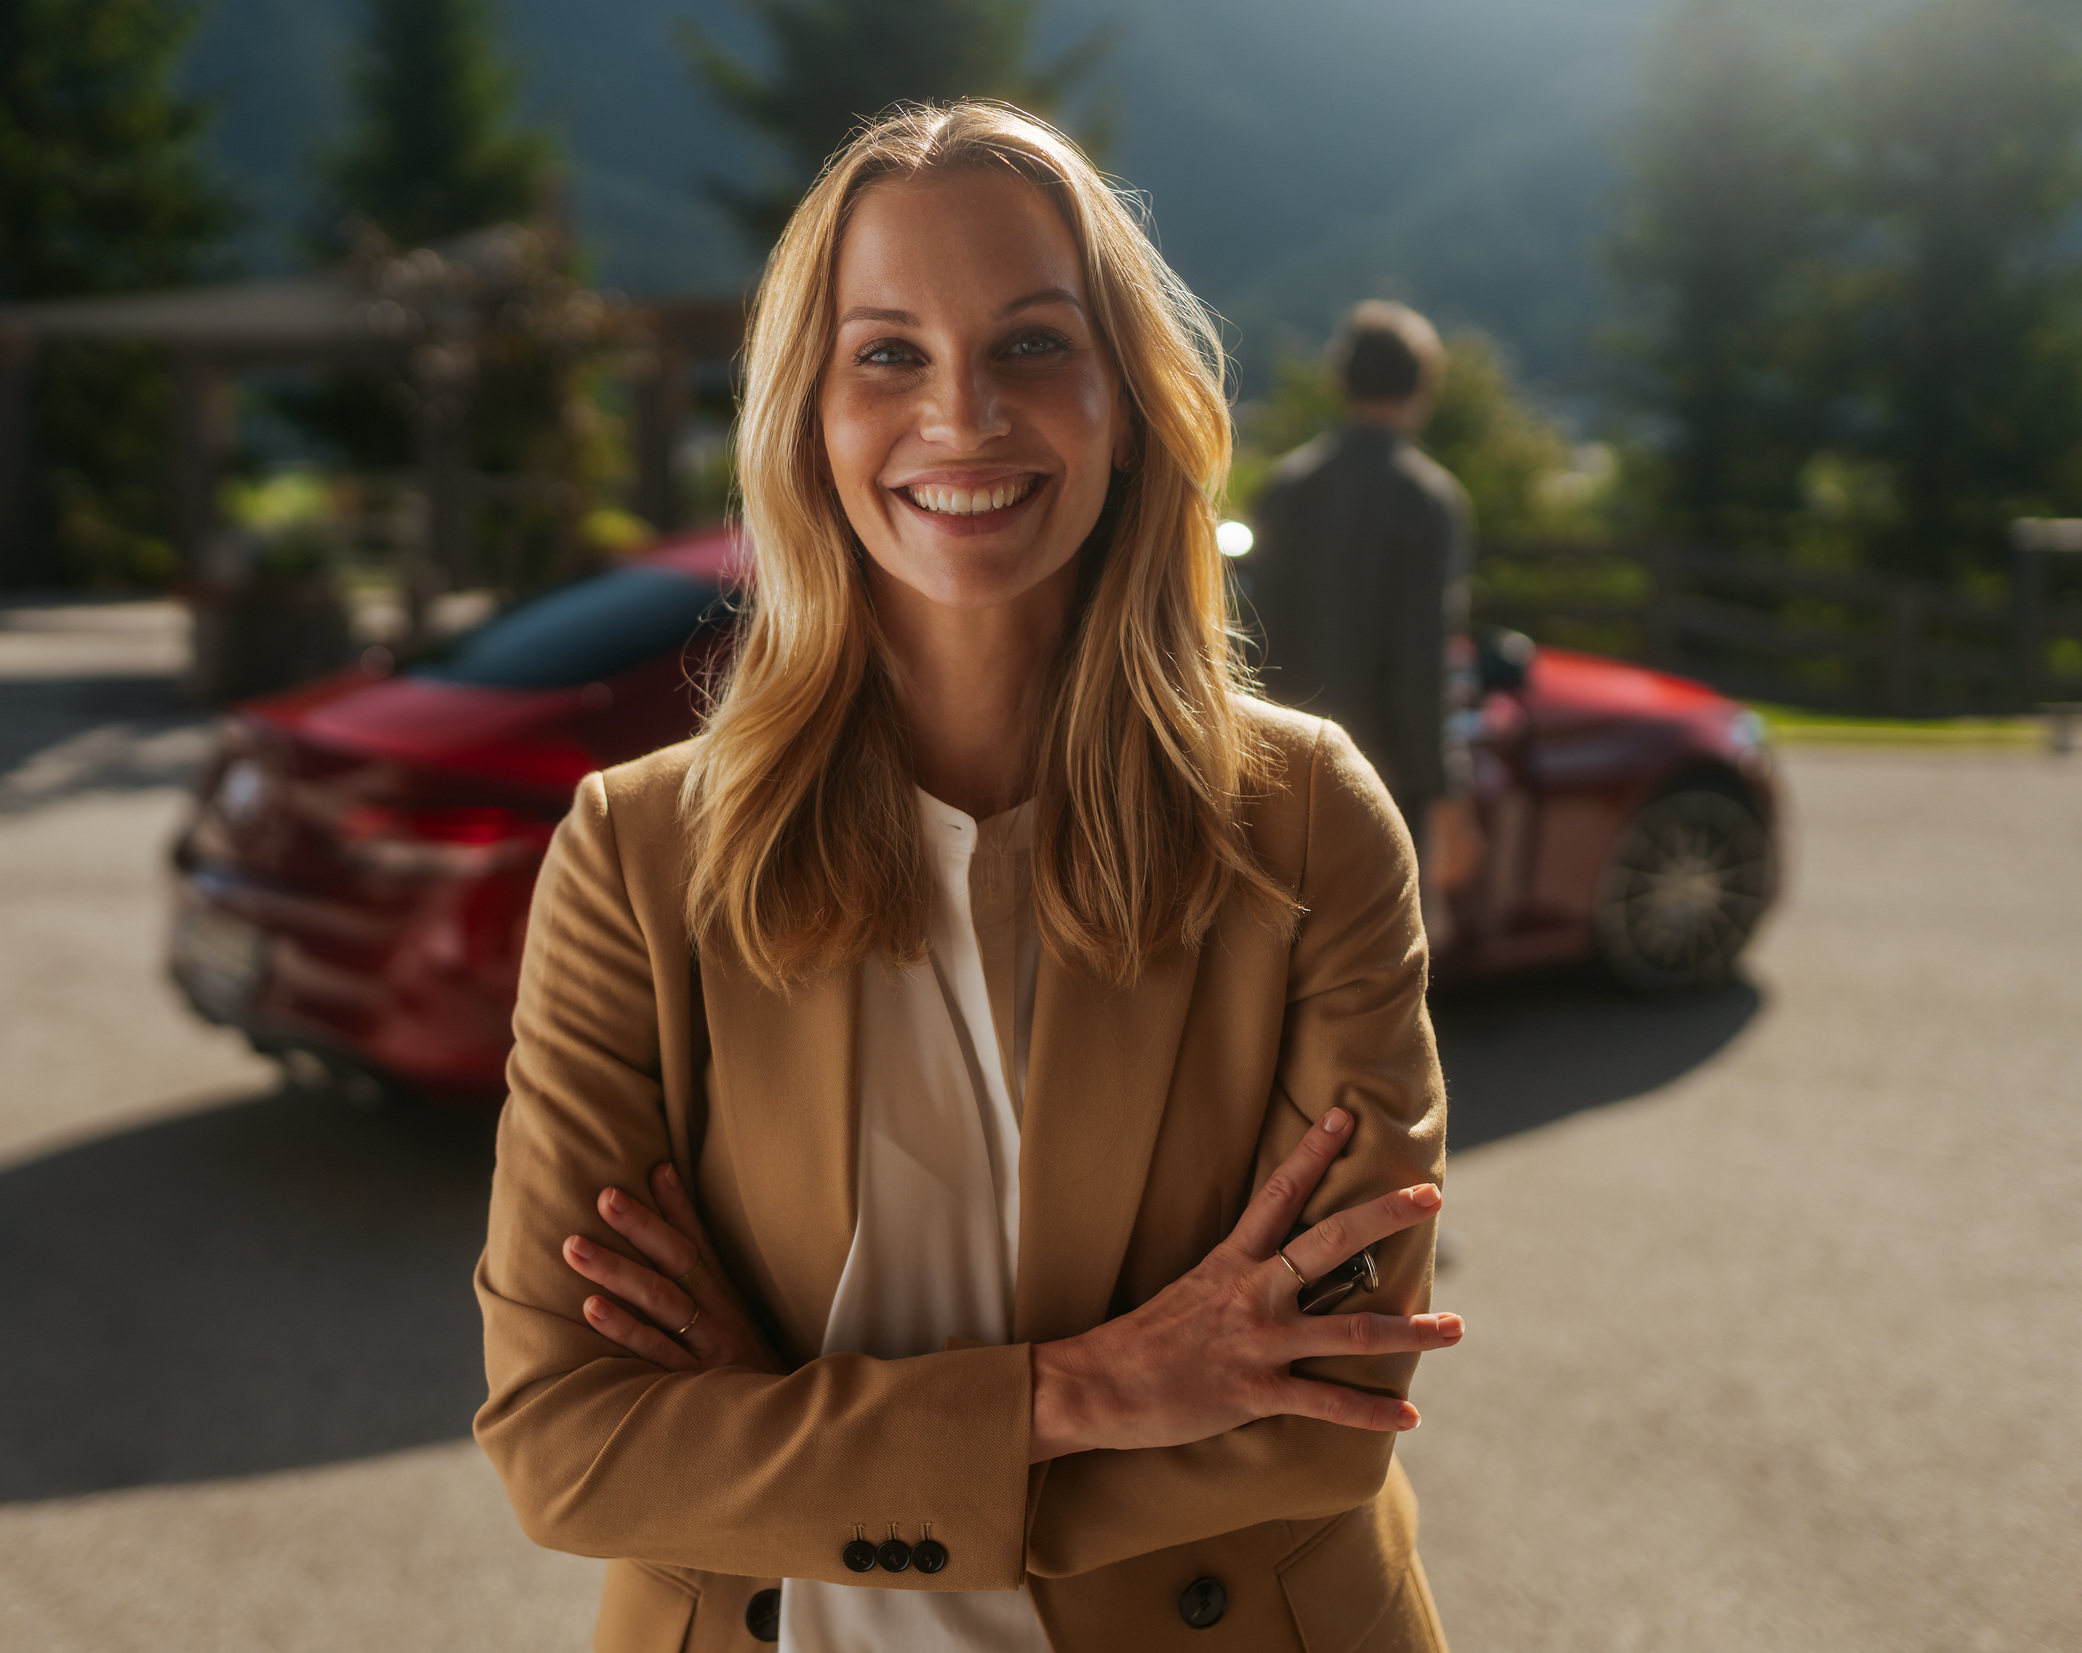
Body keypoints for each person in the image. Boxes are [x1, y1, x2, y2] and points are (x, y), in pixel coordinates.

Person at [474, 102, 1460, 1653]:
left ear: (1128, 405)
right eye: (887, 353)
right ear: (807, 418)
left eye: (1032, 345)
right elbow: (569, 1445)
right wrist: (1097, 1391)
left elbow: (1322, 1411)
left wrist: (786, 1426)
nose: (962, 413)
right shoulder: (637, 855)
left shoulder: (1307, 822)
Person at [1239, 303, 1481, 919]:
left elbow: (1245, 637)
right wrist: (1448, 801)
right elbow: (1423, 664)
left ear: (1341, 380)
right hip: (1383, 786)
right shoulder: (1426, 499)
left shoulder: (1285, 486)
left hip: (1277, 777)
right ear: (1422, 386)